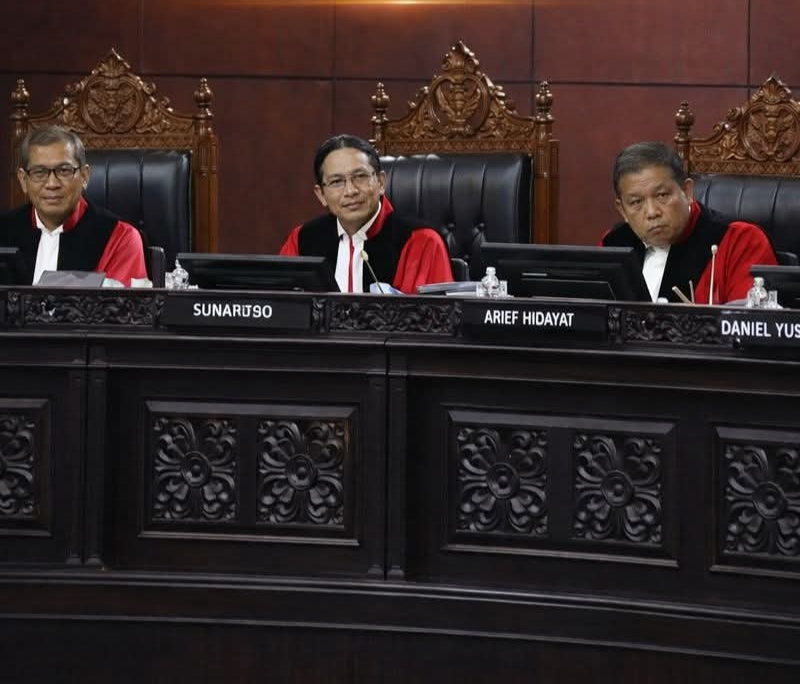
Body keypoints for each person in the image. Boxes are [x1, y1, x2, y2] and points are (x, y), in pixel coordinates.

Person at [601, 141, 777, 304]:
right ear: (622, 209)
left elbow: (745, 321)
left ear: (686, 191)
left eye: (662, 195)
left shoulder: (740, 240)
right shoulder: (614, 244)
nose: (652, 212)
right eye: (636, 202)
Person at [280, 134, 453, 294]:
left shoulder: (421, 242)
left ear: (381, 182)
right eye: (336, 182)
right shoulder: (302, 239)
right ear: (321, 195)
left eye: (360, 176)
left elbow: (436, 314)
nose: (350, 191)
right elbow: (281, 305)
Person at [0, 125, 146, 286]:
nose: (52, 184)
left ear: (84, 176)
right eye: (39, 172)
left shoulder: (120, 238)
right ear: (23, 180)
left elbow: (119, 302)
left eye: (64, 171)